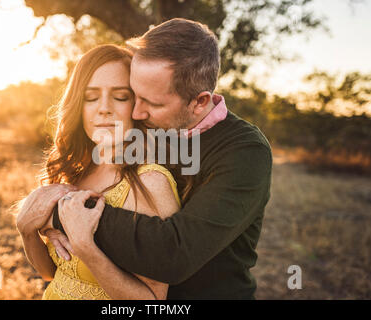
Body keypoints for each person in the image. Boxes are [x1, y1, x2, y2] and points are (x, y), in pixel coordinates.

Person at [39, 18, 272, 299]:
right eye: (134, 95)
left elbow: (174, 253)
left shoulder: (245, 152)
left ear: (199, 102)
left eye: (152, 102)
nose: (136, 112)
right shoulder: (150, 130)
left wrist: (60, 211)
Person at [16, 44, 182, 300]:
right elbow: (50, 273)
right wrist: (27, 231)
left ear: (137, 106)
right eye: (91, 97)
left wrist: (87, 248)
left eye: (120, 96)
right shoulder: (75, 173)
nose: (104, 108)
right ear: (78, 107)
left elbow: (154, 301)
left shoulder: (150, 183)